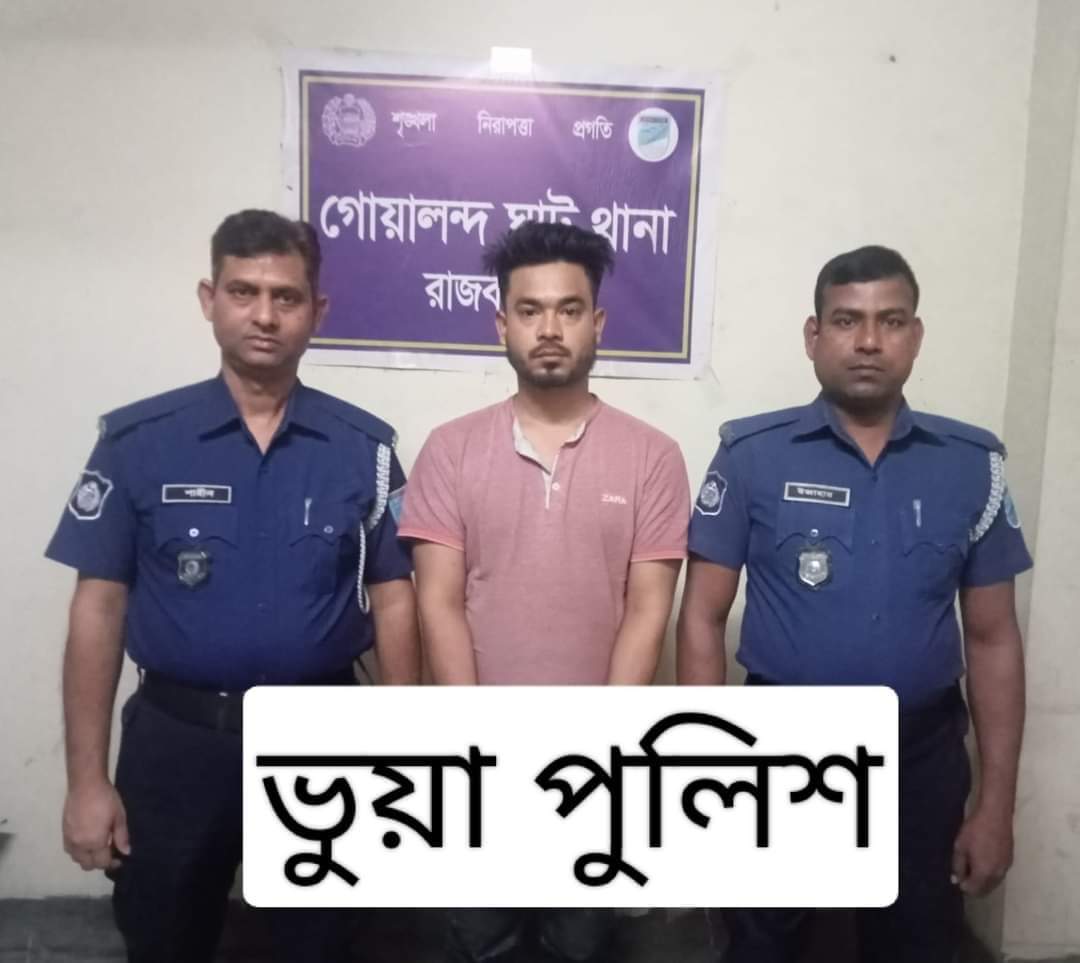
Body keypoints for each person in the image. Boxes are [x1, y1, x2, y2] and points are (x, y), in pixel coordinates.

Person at [45, 209, 421, 963]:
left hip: (325, 744)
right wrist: (86, 782)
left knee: (322, 945)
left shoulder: (366, 450)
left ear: (318, 311)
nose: (265, 315)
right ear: (208, 298)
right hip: (178, 744)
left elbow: (395, 598)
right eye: (243, 291)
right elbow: (98, 608)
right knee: (163, 937)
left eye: (286, 296)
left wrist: (400, 755)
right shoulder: (138, 443)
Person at [677, 245, 1032, 963]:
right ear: (814, 335)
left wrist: (996, 806)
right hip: (779, 751)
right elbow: (701, 619)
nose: (869, 340)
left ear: (916, 336)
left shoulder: (971, 465)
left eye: (890, 321)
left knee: (916, 943)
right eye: (847, 320)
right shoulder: (752, 456)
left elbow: (994, 639)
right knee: (764, 945)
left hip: (919, 759)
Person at [398, 220, 690, 962]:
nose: (550, 329)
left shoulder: (653, 457)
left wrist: (603, 752)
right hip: (478, 756)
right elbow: (438, 602)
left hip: (594, 762)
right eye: (529, 310)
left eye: (569, 309)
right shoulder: (450, 449)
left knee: (579, 943)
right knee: (482, 940)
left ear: (598, 323)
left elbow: (648, 610)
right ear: (502, 324)